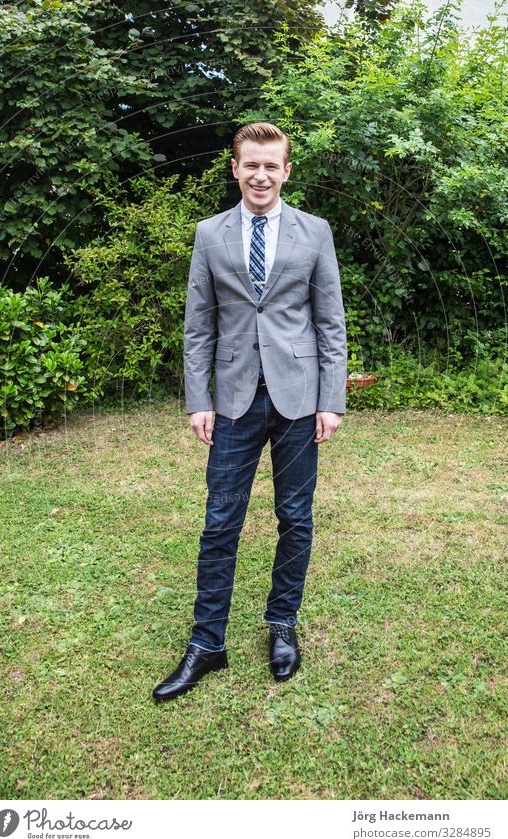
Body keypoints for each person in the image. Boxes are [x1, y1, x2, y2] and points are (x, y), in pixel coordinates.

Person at [153, 121, 347, 702]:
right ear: (234, 168)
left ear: (287, 171)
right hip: (234, 398)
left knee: (296, 518)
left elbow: (330, 322)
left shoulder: (315, 232)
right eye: (251, 165)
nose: (261, 175)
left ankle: (281, 625)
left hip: (299, 397)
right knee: (220, 524)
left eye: (272, 165)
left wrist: (331, 399)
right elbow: (198, 326)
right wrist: (198, 399)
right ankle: (207, 642)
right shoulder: (209, 234)